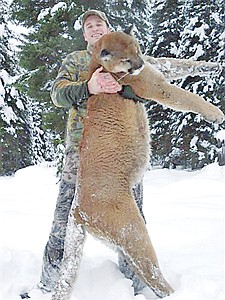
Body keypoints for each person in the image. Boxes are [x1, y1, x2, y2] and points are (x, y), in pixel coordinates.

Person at [39, 9, 222, 295]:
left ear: (109, 28)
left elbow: (163, 70)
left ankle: (137, 284)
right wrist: (89, 86)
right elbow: (57, 94)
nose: (95, 28)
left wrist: (203, 67)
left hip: (118, 156)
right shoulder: (76, 60)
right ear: (86, 36)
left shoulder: (126, 51)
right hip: (80, 153)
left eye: (100, 23)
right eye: (89, 26)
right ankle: (48, 284)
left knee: (133, 219)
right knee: (65, 219)